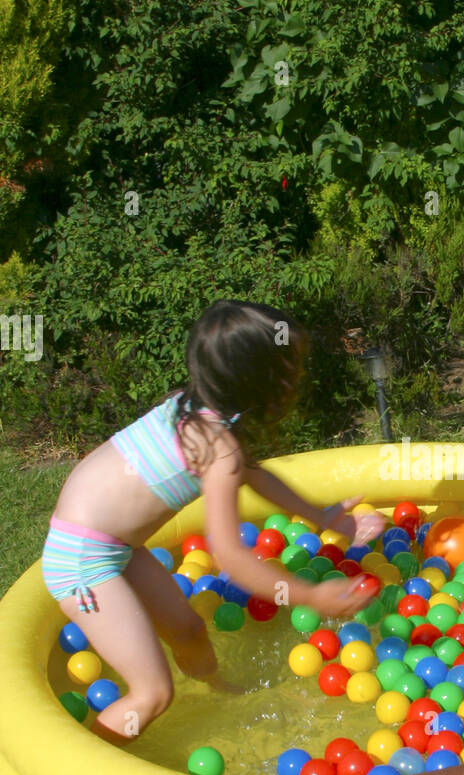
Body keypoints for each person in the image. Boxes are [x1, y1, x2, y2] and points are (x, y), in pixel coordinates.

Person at [42, 300, 384, 743]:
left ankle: (214, 691)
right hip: (84, 562)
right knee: (152, 693)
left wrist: (322, 516)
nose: (297, 378)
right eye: (290, 368)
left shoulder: (194, 410)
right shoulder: (217, 448)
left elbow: (255, 474)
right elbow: (229, 556)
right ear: (258, 379)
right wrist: (312, 595)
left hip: (112, 546)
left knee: (188, 629)